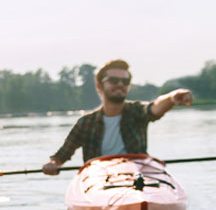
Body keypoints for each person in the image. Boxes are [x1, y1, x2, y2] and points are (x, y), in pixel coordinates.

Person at [42, 59, 194, 175]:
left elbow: (154, 108)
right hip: (99, 179)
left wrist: (172, 98)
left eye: (125, 81)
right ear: (99, 86)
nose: (120, 84)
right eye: (114, 80)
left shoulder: (136, 112)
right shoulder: (85, 123)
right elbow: (61, 156)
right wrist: (52, 163)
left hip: (137, 176)